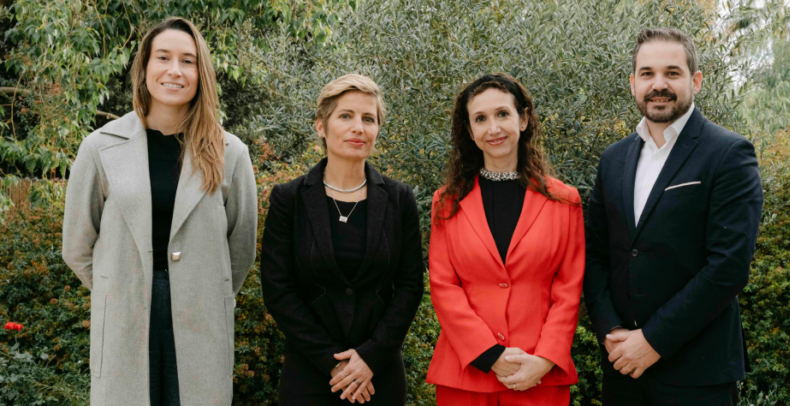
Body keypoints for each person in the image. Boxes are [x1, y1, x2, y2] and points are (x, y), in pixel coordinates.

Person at [62, 17, 258, 406]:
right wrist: (116, 288)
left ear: (201, 73)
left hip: (202, 317)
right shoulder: (100, 148)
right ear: (145, 67)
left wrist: (205, 290)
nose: (174, 70)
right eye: (163, 57)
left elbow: (241, 249)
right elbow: (77, 246)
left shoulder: (230, 153)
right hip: (124, 314)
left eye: (187, 61)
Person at [583, 28, 764, 406]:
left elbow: (728, 267)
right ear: (633, 83)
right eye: (647, 73)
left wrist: (652, 341)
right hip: (622, 371)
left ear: (695, 81)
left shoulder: (729, 153)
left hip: (697, 375)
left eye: (672, 73)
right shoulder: (613, 159)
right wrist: (610, 329)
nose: (658, 84)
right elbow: (596, 253)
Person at [260, 73, 424, 406]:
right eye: (346, 116)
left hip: (378, 376)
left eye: (368, 119)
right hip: (309, 374)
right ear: (321, 126)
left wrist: (370, 357)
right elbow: (278, 290)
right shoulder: (289, 199)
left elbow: (410, 286)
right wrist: (332, 363)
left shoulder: (399, 199)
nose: (358, 128)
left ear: (378, 129)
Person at [426, 73, 585, 405]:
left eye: (502, 114)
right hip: (466, 376)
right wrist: (488, 354)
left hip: (538, 375)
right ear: (470, 131)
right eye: (480, 119)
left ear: (523, 119)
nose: (493, 128)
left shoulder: (564, 201)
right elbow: (443, 286)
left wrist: (545, 358)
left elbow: (569, 289)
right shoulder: (446, 202)